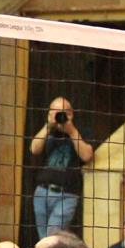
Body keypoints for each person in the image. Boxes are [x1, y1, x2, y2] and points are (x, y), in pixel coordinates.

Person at [29, 97, 94, 238]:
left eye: (64, 112)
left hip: (67, 194)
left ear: (71, 114)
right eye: (56, 112)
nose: (60, 116)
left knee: (53, 235)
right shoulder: (47, 131)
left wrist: (71, 131)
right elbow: (34, 149)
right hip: (42, 192)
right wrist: (48, 126)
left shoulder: (81, 131)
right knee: (43, 238)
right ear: (49, 113)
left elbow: (87, 156)